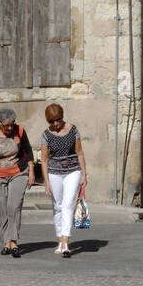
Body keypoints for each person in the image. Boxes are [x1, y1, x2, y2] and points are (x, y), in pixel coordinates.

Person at [0, 108, 34, 258]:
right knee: (1, 208)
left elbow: (28, 151)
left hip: (18, 173)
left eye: (12, 124)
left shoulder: (20, 131)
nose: (10, 128)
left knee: (14, 206)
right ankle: (6, 242)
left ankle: (14, 242)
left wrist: (31, 172)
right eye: (6, 125)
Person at [40, 103, 87, 258]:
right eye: (51, 122)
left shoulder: (73, 130)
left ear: (62, 116)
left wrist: (84, 175)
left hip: (72, 171)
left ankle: (66, 242)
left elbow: (79, 152)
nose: (55, 124)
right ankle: (60, 239)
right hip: (54, 173)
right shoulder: (46, 135)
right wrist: (46, 182)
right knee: (57, 206)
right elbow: (45, 160)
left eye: (58, 120)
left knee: (67, 204)